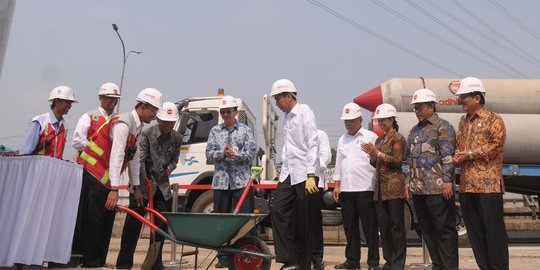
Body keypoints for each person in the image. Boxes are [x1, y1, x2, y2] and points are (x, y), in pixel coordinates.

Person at [75, 88, 163, 267]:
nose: (154, 116)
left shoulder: (137, 127)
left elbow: (134, 158)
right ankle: (89, 262)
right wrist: (115, 189)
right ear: (143, 106)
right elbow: (117, 156)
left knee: (107, 220)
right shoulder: (123, 123)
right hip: (94, 174)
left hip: (106, 178)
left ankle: (99, 261)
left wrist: (136, 188)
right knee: (95, 219)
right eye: (153, 110)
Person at [116, 101, 182, 270]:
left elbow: (175, 159)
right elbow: (139, 159)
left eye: (171, 122)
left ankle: (155, 263)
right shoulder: (147, 134)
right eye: (165, 122)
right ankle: (124, 264)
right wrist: (143, 182)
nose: (168, 125)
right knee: (133, 227)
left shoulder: (177, 138)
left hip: (163, 190)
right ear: (158, 120)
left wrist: (170, 168)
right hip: (143, 189)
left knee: (160, 229)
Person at [453, 77, 508, 270]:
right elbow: (459, 147)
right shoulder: (463, 122)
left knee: (494, 233)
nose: (461, 102)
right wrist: (456, 156)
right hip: (467, 186)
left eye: (464, 98)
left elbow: (496, 145)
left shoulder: (494, 119)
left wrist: (469, 154)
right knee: (475, 235)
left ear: (477, 98)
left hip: (488, 186)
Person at [269, 79, 320, 270]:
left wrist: (310, 175)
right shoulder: (287, 118)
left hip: (304, 174)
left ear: (288, 96)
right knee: (278, 211)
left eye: (278, 99)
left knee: (304, 220)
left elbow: (312, 143)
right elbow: (288, 148)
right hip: (288, 174)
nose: (277, 103)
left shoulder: (305, 112)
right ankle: (290, 259)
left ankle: (304, 264)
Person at [405, 88, 458, 270]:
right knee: (427, 230)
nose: (417, 111)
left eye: (420, 107)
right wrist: (408, 183)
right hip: (419, 189)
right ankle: (438, 264)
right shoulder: (414, 131)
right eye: (415, 108)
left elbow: (448, 157)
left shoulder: (443, 127)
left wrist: (447, 181)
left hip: (438, 189)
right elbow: (409, 159)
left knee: (444, 230)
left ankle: (449, 266)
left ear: (431, 106)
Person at [204, 95, 257, 268]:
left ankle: (245, 255)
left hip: (241, 183)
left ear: (235, 112)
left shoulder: (245, 131)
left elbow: (251, 154)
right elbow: (208, 155)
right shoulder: (215, 131)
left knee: (244, 221)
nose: (226, 114)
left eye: (229, 111)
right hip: (221, 182)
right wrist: (222, 153)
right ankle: (223, 257)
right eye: (223, 112)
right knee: (221, 222)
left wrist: (236, 155)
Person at [332, 102, 380, 270]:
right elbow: (339, 163)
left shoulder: (371, 137)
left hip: (365, 189)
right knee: (350, 228)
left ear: (360, 119)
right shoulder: (342, 139)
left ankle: (373, 262)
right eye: (346, 121)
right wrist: (337, 185)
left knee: (369, 228)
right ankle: (352, 261)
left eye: (352, 120)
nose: (349, 123)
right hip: (347, 190)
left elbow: (377, 161)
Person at [361, 103, 407, 270]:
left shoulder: (398, 138)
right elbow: (376, 164)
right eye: (379, 120)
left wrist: (378, 154)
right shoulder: (379, 140)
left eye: (383, 120)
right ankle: (389, 260)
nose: (380, 123)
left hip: (394, 189)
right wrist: (372, 156)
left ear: (392, 120)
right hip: (380, 190)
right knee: (385, 227)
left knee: (397, 227)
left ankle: (398, 263)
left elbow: (397, 160)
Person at [19, 86, 77, 158]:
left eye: (71, 103)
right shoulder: (39, 122)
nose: (70, 105)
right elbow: (25, 153)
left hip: (55, 168)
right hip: (38, 168)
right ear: (57, 102)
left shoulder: (64, 127)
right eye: (67, 102)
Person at [72, 82, 121, 153]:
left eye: (116, 98)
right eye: (110, 97)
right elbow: (77, 141)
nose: (113, 100)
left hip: (110, 163)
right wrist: (98, 151)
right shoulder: (88, 116)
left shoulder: (118, 120)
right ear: (100, 98)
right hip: (88, 163)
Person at [312, 129, 332, 270]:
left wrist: (312, 161)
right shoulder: (295, 134)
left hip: (314, 183)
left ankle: (317, 259)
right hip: (296, 182)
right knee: (300, 223)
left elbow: (326, 158)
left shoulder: (320, 134)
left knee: (314, 224)